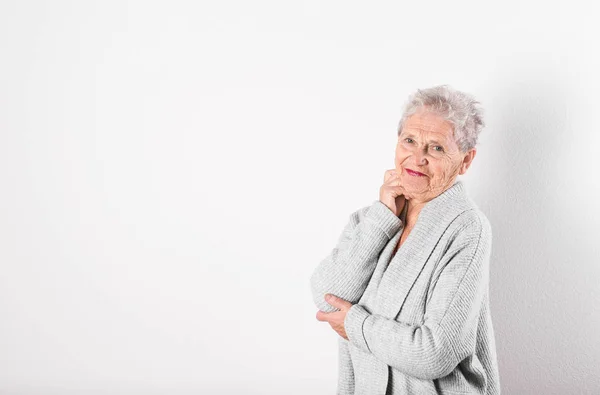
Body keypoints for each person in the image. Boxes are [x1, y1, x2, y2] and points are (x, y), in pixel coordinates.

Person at [309, 85, 501, 394]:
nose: (417, 157)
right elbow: (326, 297)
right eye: (409, 141)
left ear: (465, 160)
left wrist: (355, 325)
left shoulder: (467, 229)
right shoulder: (370, 219)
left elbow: (436, 352)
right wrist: (383, 217)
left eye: (436, 148)